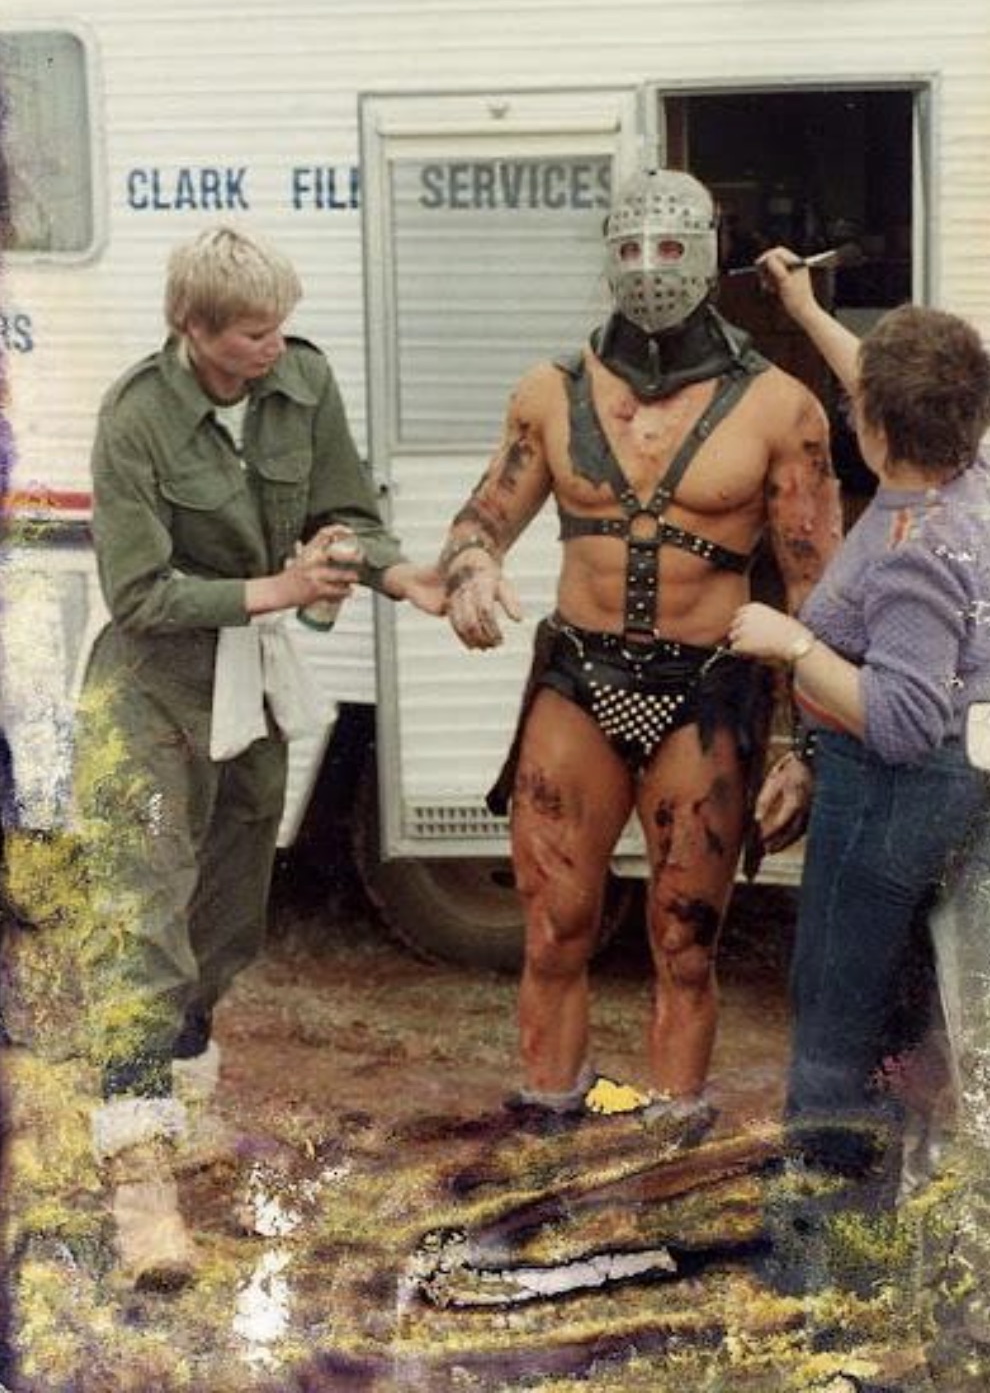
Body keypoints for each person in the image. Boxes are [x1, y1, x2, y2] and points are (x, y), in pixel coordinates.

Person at [76, 225, 443, 1286]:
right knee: (141, 920)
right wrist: (278, 588)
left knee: (226, 922)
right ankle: (139, 1184)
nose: (274, 345)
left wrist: (393, 572)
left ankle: (179, 1118)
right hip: (152, 694)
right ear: (192, 329)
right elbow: (138, 593)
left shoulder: (303, 380)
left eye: (280, 322)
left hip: (254, 694)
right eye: (251, 330)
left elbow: (343, 513)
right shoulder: (136, 418)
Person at [438, 168, 841, 1130]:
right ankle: (548, 1126)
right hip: (578, 680)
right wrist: (469, 571)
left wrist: (810, 746)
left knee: (684, 941)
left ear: (707, 254)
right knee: (553, 931)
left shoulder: (782, 407)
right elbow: (481, 518)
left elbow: (816, 588)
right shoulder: (551, 391)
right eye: (628, 249)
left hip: (706, 697)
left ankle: (666, 1150)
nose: (648, 270)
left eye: (669, 249)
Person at [729, 250, 990, 1167]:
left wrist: (792, 642)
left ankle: (821, 1272)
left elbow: (904, 715)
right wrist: (803, 308)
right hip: (931, 795)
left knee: (837, 1032)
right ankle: (875, 1233)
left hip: (889, 792)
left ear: (876, 428)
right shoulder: (967, 471)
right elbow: (873, 380)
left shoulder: (915, 548)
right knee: (898, 1023)